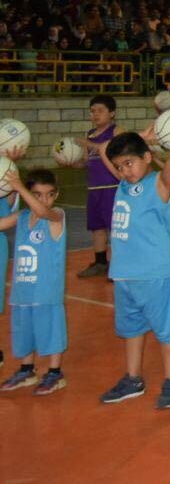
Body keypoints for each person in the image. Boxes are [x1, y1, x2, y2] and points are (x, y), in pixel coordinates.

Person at [98, 125, 170, 409]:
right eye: (119, 167)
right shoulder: (123, 186)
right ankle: (133, 379)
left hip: (155, 273)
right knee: (131, 330)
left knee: (167, 331)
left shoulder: (159, 184)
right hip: (124, 274)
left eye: (129, 163)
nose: (124, 171)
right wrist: (142, 136)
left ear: (147, 157)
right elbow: (106, 149)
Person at [0, 167, 67, 395]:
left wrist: (19, 187)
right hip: (22, 290)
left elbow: (43, 211)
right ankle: (27, 370)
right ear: (29, 195)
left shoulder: (56, 216)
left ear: (56, 195)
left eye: (49, 194)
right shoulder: (22, 217)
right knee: (23, 333)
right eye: (37, 194)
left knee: (51, 333)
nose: (44, 199)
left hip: (46, 291)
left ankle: (55, 373)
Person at [74, 94, 118, 278]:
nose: (96, 114)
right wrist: (71, 162)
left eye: (100, 110)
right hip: (93, 189)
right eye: (93, 111)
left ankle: (119, 265)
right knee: (97, 227)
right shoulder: (89, 134)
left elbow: (112, 151)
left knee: (115, 228)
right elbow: (87, 161)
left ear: (112, 113)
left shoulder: (117, 131)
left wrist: (90, 144)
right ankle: (100, 262)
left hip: (111, 188)